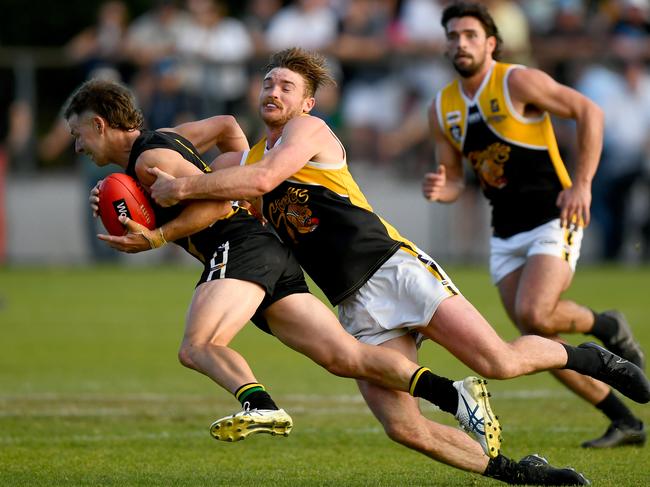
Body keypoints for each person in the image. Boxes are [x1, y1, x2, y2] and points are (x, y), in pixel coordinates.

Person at [147, 47, 650, 484]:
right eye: (267, 83)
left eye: (286, 85)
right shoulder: (251, 156)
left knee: (497, 362)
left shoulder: (308, 130)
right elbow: (194, 175)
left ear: (307, 102)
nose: (273, 91)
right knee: (403, 428)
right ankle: (519, 471)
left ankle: (592, 359)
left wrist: (184, 188)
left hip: (394, 269)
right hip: (352, 302)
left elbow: (250, 183)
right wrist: (140, 183)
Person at [65, 79, 524, 478]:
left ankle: (260, 404)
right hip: (264, 252)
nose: (78, 144)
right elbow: (227, 125)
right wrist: (222, 172)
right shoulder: (160, 143)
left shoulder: (148, 161)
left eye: (78, 132)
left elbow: (220, 206)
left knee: (197, 345)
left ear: (100, 124)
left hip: (240, 246)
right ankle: (462, 405)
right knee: (346, 357)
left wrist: (160, 235)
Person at [420, 2, 647, 448]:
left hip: (553, 213)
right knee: (537, 338)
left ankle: (606, 326)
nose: (459, 43)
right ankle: (625, 421)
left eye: (469, 35)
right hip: (505, 230)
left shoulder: (515, 80)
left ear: (490, 43)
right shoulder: (440, 109)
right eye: (452, 35)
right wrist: (440, 187)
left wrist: (581, 183)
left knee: (535, 313)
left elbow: (590, 113)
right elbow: (454, 181)